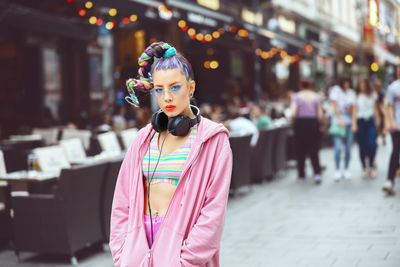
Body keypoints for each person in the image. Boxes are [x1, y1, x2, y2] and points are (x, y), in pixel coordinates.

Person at [109, 42, 233, 266]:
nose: (166, 97)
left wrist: (186, 261)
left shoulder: (214, 140)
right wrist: (122, 253)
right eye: (159, 89)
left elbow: (213, 212)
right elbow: (122, 201)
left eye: (175, 87)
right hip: (137, 253)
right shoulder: (143, 138)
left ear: (191, 87)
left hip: (182, 255)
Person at [290, 79, 323, 183]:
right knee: (314, 149)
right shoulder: (316, 97)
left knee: (300, 150)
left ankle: (301, 175)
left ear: (300, 85)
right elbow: (320, 115)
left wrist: (294, 122)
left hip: (300, 124)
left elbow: (293, 113)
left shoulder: (296, 97)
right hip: (313, 124)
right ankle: (317, 173)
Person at [329, 78, 357, 181]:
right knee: (338, 148)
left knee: (348, 148)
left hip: (349, 122)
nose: (346, 84)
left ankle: (346, 169)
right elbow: (334, 107)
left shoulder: (351, 93)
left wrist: (354, 123)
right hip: (337, 123)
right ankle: (337, 169)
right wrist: (340, 120)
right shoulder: (335, 91)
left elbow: (354, 109)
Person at [354, 78, 379, 179]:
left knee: (372, 144)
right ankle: (364, 168)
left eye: (364, 83)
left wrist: (378, 121)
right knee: (362, 145)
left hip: (370, 120)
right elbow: (354, 111)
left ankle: (372, 166)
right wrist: (354, 124)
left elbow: (376, 109)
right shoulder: (356, 96)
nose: (362, 85)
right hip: (360, 121)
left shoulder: (373, 95)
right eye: (360, 83)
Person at [382, 65, 400, 195]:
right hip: (396, 125)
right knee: (395, 152)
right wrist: (390, 122)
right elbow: (387, 106)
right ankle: (389, 180)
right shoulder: (393, 87)